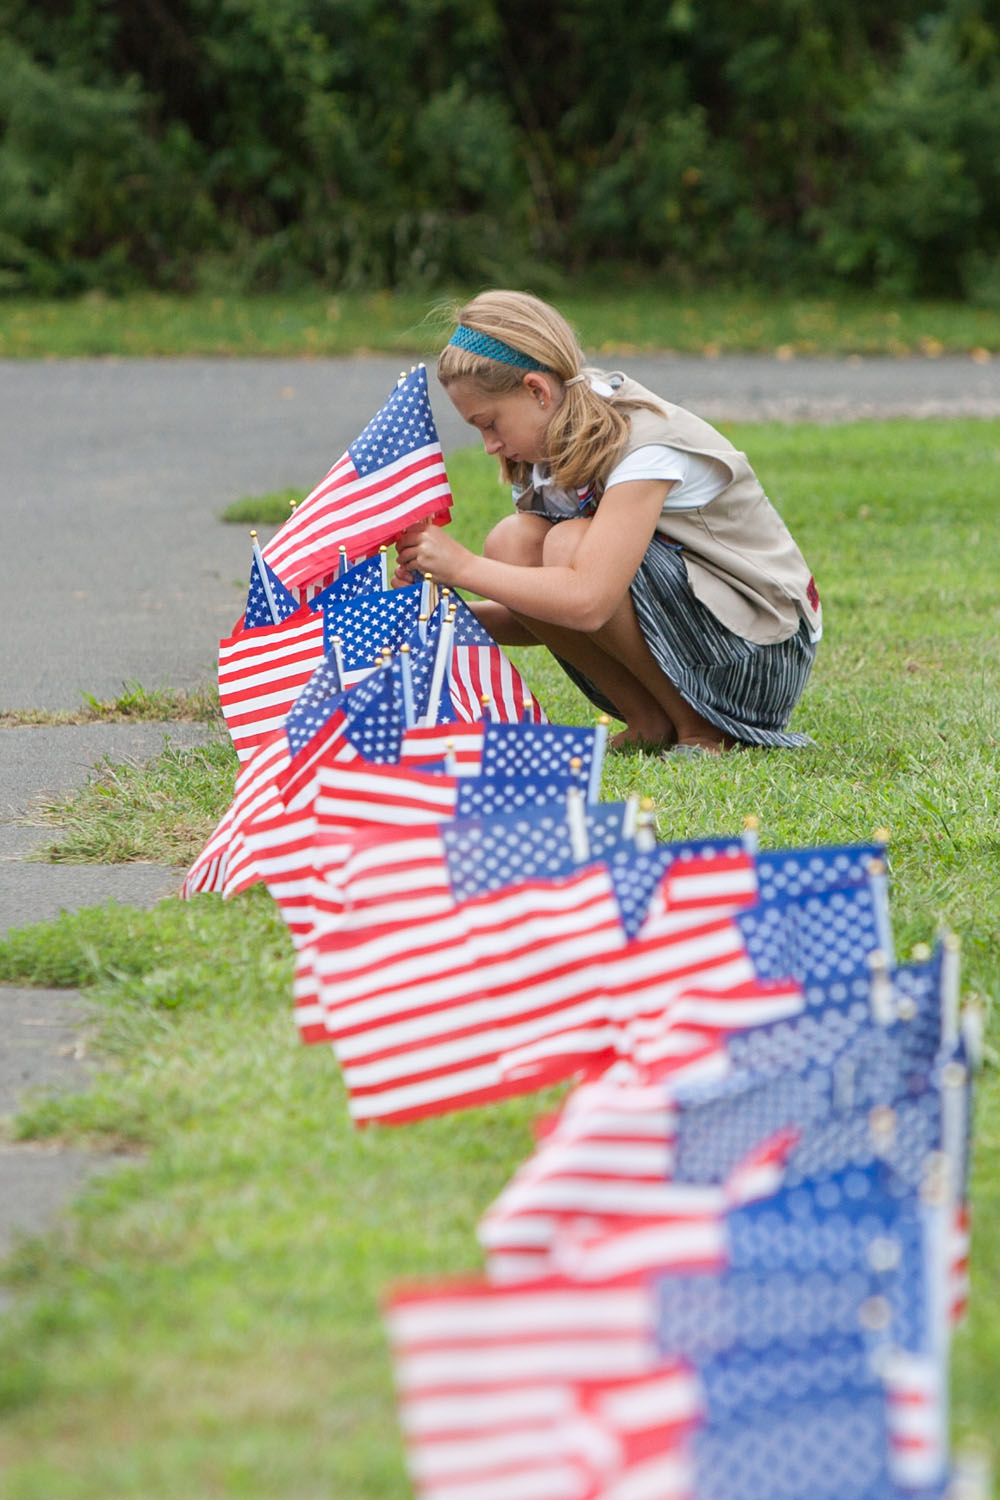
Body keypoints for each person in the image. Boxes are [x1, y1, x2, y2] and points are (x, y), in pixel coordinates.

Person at [394, 290, 821, 755]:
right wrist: (435, 617)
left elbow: (588, 603)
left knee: (569, 546)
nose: (489, 445)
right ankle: (648, 721)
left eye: (489, 423)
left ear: (537, 390)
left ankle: (702, 729)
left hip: (758, 654)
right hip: (696, 641)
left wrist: (462, 567)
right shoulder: (550, 447)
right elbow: (544, 611)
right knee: (513, 543)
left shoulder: (644, 445)